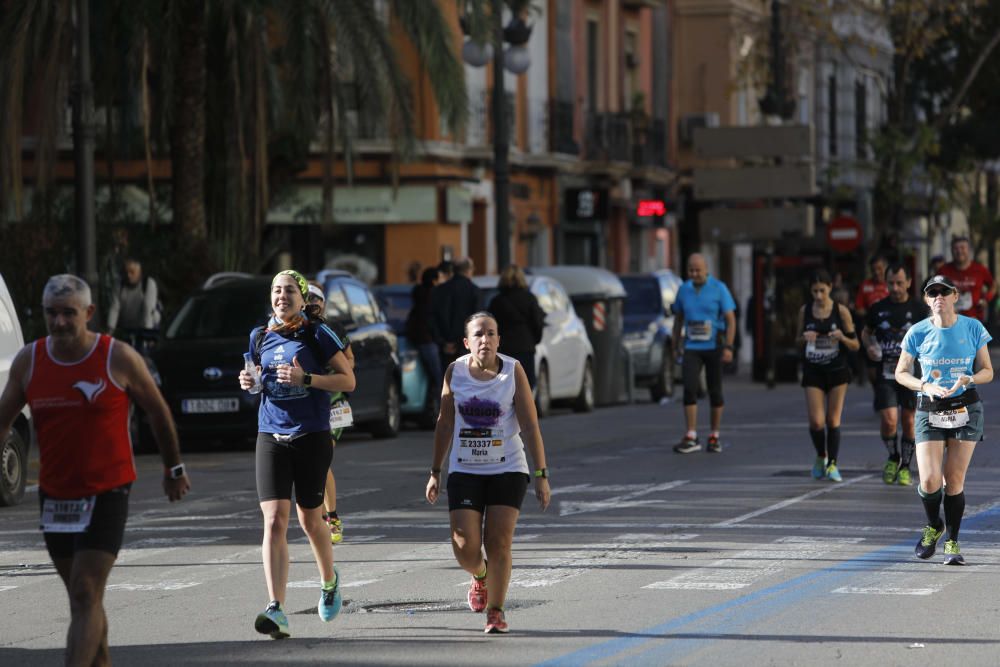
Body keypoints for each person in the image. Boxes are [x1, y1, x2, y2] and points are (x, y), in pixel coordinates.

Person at [0, 274, 191, 666]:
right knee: (83, 598)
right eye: (51, 314)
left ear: (88, 313)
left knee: (86, 591)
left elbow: (158, 412)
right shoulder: (29, 361)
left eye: (69, 314)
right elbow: (2, 421)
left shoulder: (115, 357)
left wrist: (174, 467)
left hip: (108, 490)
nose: (59, 323)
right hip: (55, 496)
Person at [239, 270, 356, 639]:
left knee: (309, 520)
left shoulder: (317, 333)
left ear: (302, 298)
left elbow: (348, 380)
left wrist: (308, 380)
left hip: (311, 434)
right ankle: (276, 608)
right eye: (276, 290)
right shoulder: (260, 335)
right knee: (274, 520)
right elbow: (260, 381)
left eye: (289, 290)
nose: (281, 296)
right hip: (270, 434)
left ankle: (328, 580)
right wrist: (250, 383)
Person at [425, 312, 551, 634]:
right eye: (478, 334)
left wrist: (541, 473)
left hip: (507, 467)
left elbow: (530, 423)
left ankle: (495, 610)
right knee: (465, 547)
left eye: (491, 334)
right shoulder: (455, 372)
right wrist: (435, 471)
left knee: (499, 541)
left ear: (499, 340)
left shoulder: (512, 371)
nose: (485, 340)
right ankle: (479, 574)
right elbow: (445, 422)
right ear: (467, 342)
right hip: (465, 469)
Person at [895, 274, 993, 565]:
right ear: (927, 300)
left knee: (954, 480)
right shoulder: (917, 332)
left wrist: (970, 378)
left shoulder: (973, 327)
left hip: (966, 408)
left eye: (944, 291)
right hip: (930, 407)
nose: (938, 296)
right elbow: (901, 372)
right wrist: (925, 385)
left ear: (954, 296)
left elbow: (988, 370)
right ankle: (933, 525)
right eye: (932, 292)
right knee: (928, 479)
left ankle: (952, 541)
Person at [861, 263, 929, 486]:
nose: (895, 287)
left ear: (909, 282)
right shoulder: (878, 308)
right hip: (887, 373)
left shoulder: (920, 310)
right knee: (889, 420)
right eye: (891, 283)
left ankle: (906, 467)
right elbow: (866, 332)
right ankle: (893, 456)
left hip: (911, 374)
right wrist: (870, 346)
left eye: (900, 283)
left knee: (909, 421)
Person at [797, 269, 860, 482]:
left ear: (830, 288)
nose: (818, 296)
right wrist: (805, 338)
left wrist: (842, 337)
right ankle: (821, 455)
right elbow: (796, 340)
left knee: (832, 419)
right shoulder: (805, 311)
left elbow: (855, 344)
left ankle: (833, 463)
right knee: (816, 421)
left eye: (822, 291)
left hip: (837, 370)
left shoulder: (841, 311)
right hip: (813, 369)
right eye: (814, 291)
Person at [670, 253, 736, 454]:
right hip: (692, 347)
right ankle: (691, 435)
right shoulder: (684, 290)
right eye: (691, 270)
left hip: (714, 346)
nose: (694, 273)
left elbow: (731, 320)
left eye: (698, 270)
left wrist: (729, 347)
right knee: (689, 388)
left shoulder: (719, 288)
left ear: (707, 269)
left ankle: (714, 435)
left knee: (715, 391)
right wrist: (675, 345)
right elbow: (678, 319)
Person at [307, 281, 356, 544]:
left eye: (318, 301)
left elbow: (350, 362)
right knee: (311, 462)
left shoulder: (333, 329)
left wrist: (330, 365)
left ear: (324, 304)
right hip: (307, 401)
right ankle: (315, 516)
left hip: (334, 401)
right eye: (309, 300)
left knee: (322, 457)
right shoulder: (296, 329)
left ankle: (332, 518)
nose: (314, 305)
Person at [487, 265, 546, 389]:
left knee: (505, 383)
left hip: (504, 348)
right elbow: (537, 322)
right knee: (526, 383)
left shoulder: (497, 301)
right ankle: (524, 407)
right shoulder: (529, 299)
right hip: (525, 347)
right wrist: (534, 340)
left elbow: (490, 326)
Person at [430, 257, 482, 367]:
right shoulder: (474, 291)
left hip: (445, 346)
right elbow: (477, 319)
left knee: (448, 379)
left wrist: (443, 341)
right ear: (469, 270)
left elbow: (433, 317)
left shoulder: (440, 290)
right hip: (466, 345)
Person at [939, 235, 996, 323]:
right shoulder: (943, 270)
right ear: (951, 251)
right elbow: (934, 290)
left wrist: (986, 299)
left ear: (969, 250)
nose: (959, 251)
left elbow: (993, 285)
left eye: (962, 248)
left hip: (974, 320)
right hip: (950, 321)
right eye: (956, 248)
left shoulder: (979, 269)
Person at [406, 267, 444, 401]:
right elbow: (432, 321)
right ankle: (438, 408)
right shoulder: (432, 297)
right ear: (434, 281)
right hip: (428, 340)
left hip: (418, 339)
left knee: (432, 377)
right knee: (437, 377)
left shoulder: (418, 295)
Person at [107, 258, 161, 333]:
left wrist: (148, 333)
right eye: (126, 272)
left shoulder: (148, 284)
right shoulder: (119, 285)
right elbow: (114, 308)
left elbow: (148, 310)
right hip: (127, 325)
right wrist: (110, 330)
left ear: (139, 272)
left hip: (147, 324)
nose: (128, 275)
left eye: (132, 272)